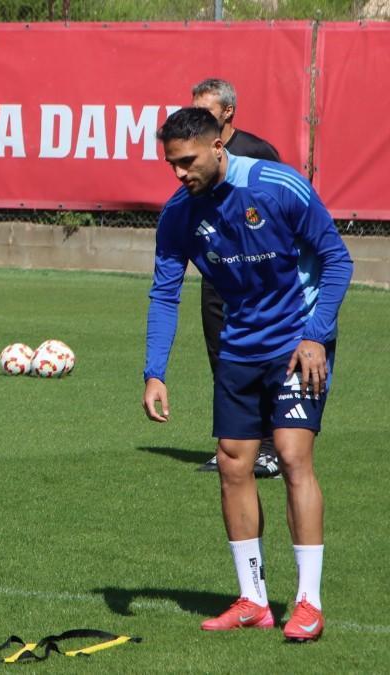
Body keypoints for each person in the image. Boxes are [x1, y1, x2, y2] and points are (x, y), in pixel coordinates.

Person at [143, 107, 352, 642]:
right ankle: (253, 599)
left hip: (296, 346)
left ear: (218, 146)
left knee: (290, 453)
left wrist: (315, 335)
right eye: (170, 163)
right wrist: (155, 371)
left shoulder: (278, 185)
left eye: (186, 161)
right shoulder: (177, 215)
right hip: (239, 350)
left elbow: (337, 259)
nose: (178, 173)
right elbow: (166, 292)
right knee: (233, 464)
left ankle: (308, 601)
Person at [191, 78, 283, 477]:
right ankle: (233, 446)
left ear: (227, 112)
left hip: (260, 277)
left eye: (205, 111)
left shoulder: (258, 153)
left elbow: (283, 208)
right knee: (222, 357)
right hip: (217, 275)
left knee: (262, 360)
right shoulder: (196, 155)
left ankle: (269, 447)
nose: (196, 118)